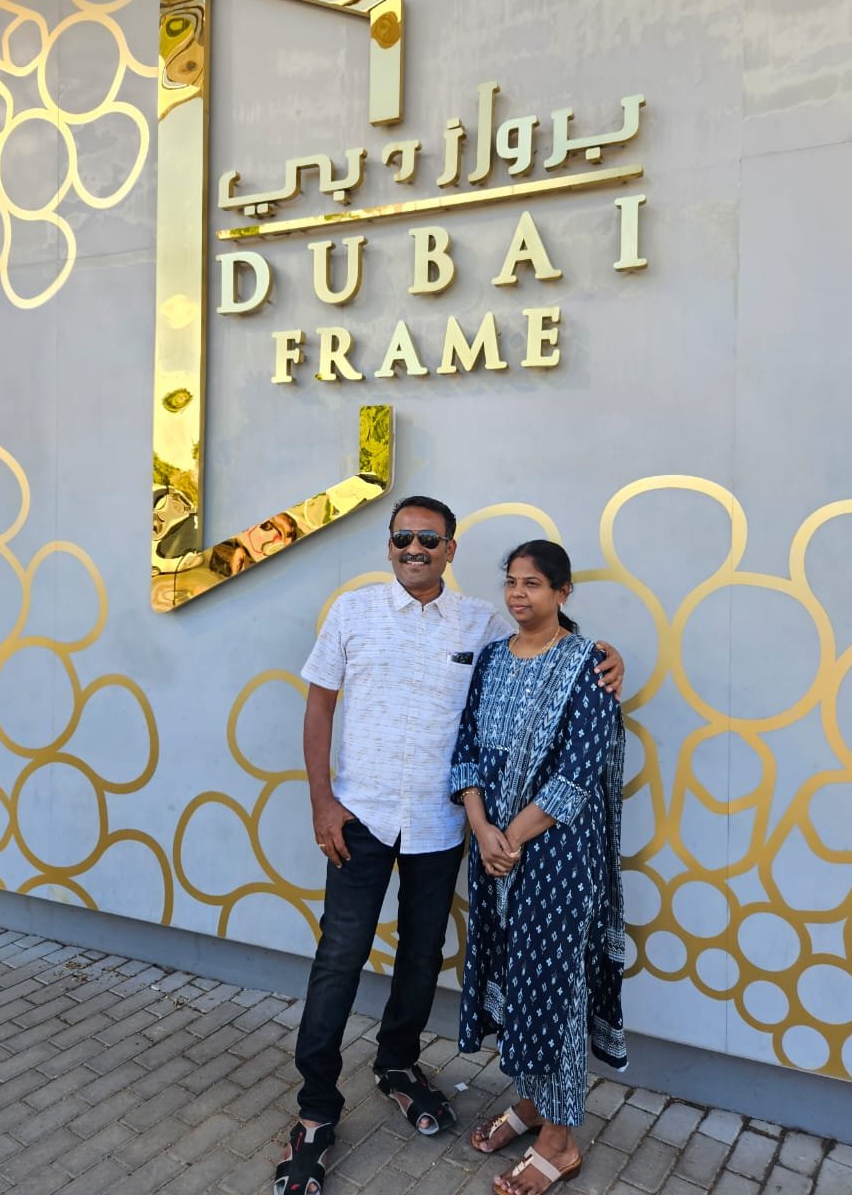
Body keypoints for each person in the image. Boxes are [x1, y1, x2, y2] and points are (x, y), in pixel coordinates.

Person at [274, 500, 624, 1195]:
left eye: (428, 539)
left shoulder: (480, 623)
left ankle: (397, 1064)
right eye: (403, 537)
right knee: (339, 956)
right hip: (360, 819)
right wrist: (321, 802)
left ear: (449, 549)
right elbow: (319, 706)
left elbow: (547, 642)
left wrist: (606, 657)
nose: (415, 548)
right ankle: (316, 1106)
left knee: (421, 953)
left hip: (437, 828)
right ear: (389, 544)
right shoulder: (352, 612)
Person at [451, 539, 627, 1195]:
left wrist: (511, 837)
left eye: (533, 583)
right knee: (517, 979)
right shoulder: (493, 659)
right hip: (494, 852)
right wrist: (481, 828)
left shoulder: (588, 665)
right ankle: (532, 1104)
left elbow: (579, 769)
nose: (518, 594)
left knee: (554, 987)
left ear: (562, 592)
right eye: (512, 582)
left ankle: (560, 1141)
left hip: (555, 857)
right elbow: (466, 746)